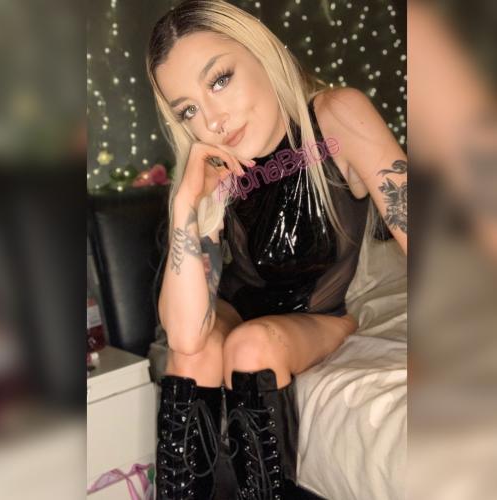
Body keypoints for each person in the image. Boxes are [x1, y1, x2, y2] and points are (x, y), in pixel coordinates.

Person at [146, 1, 407, 498]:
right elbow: (184, 335)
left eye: (219, 80)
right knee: (195, 355)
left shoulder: (335, 117)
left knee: (251, 348)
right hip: (228, 310)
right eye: (188, 111)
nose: (213, 120)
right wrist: (186, 204)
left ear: (263, 54)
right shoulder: (212, 170)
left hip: (313, 316)